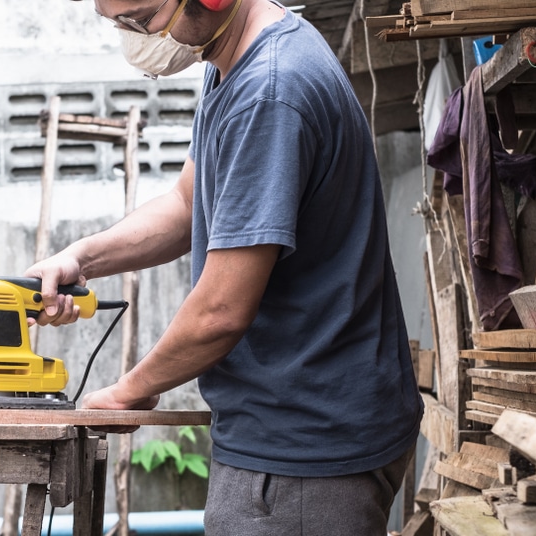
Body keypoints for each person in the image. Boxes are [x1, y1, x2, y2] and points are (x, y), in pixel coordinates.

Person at [25, 0, 424, 534]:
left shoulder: (270, 91)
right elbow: (189, 204)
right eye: (118, 23)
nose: (134, 39)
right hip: (301, 429)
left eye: (140, 21)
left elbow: (220, 311)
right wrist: (81, 257)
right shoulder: (232, 58)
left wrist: (130, 389)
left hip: (301, 452)